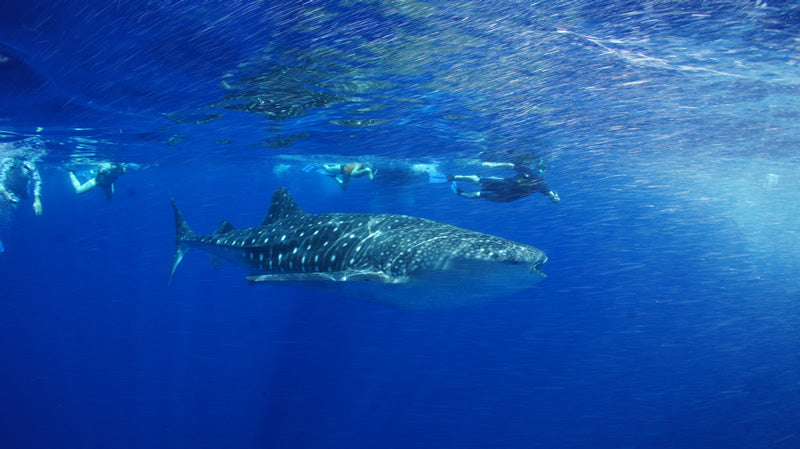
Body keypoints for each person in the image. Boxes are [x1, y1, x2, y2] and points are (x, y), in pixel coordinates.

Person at [448, 160, 560, 204]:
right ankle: (455, 177)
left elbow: (551, 195)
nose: (538, 170)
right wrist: (493, 164)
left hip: (507, 195)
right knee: (477, 179)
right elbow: (510, 166)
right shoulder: (527, 170)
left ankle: (460, 193)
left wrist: (555, 199)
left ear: (543, 172)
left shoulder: (541, 185)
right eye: (537, 167)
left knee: (479, 194)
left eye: (541, 169)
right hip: (503, 183)